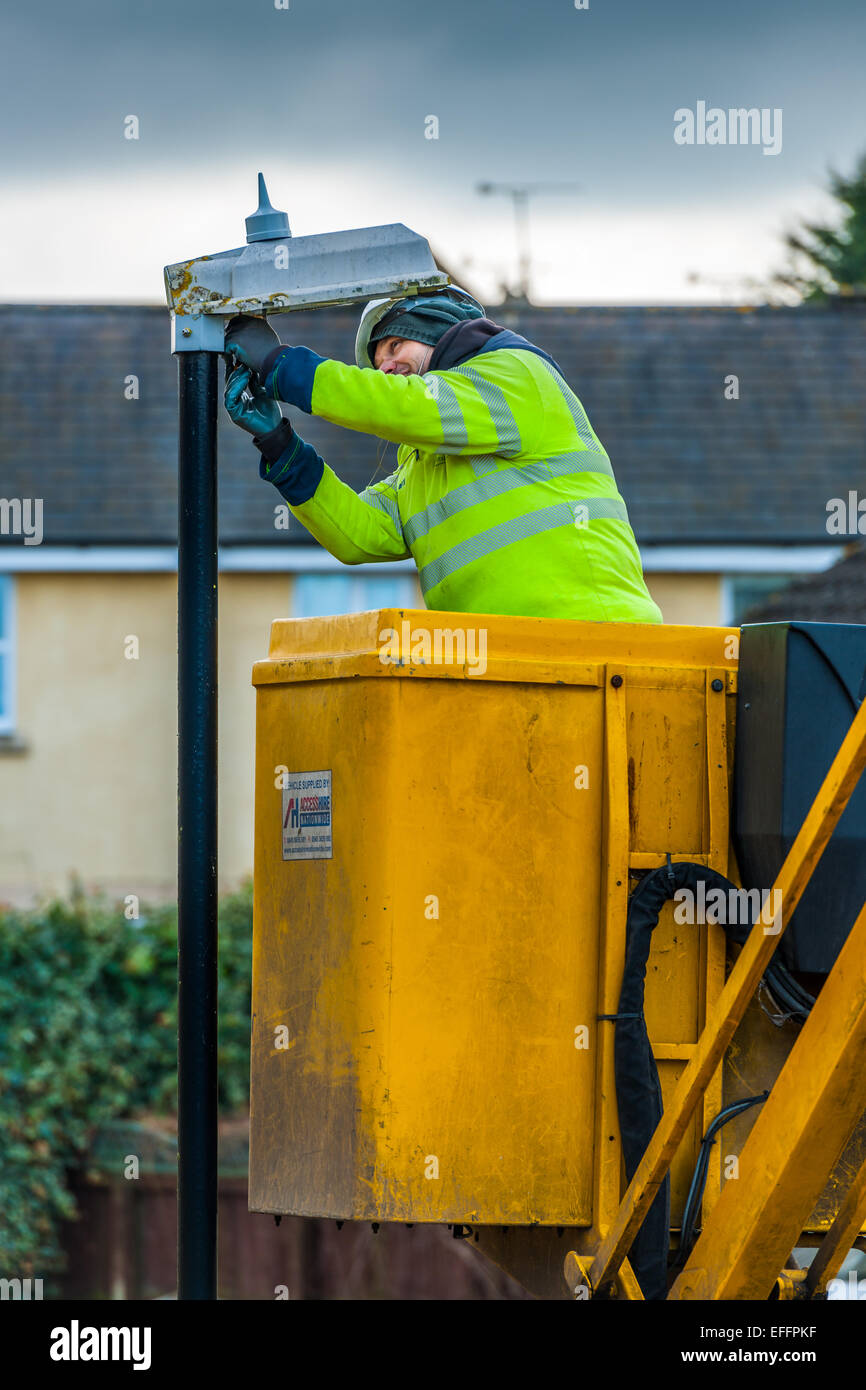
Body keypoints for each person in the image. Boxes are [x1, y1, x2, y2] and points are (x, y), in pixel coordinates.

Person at [223, 290, 663, 623]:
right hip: (510, 672)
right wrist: (280, 444)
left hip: (601, 647)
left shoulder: (517, 374)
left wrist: (281, 365)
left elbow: (406, 405)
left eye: (395, 347)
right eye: (377, 364)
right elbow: (357, 534)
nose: (386, 368)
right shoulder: (422, 466)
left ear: (435, 331)